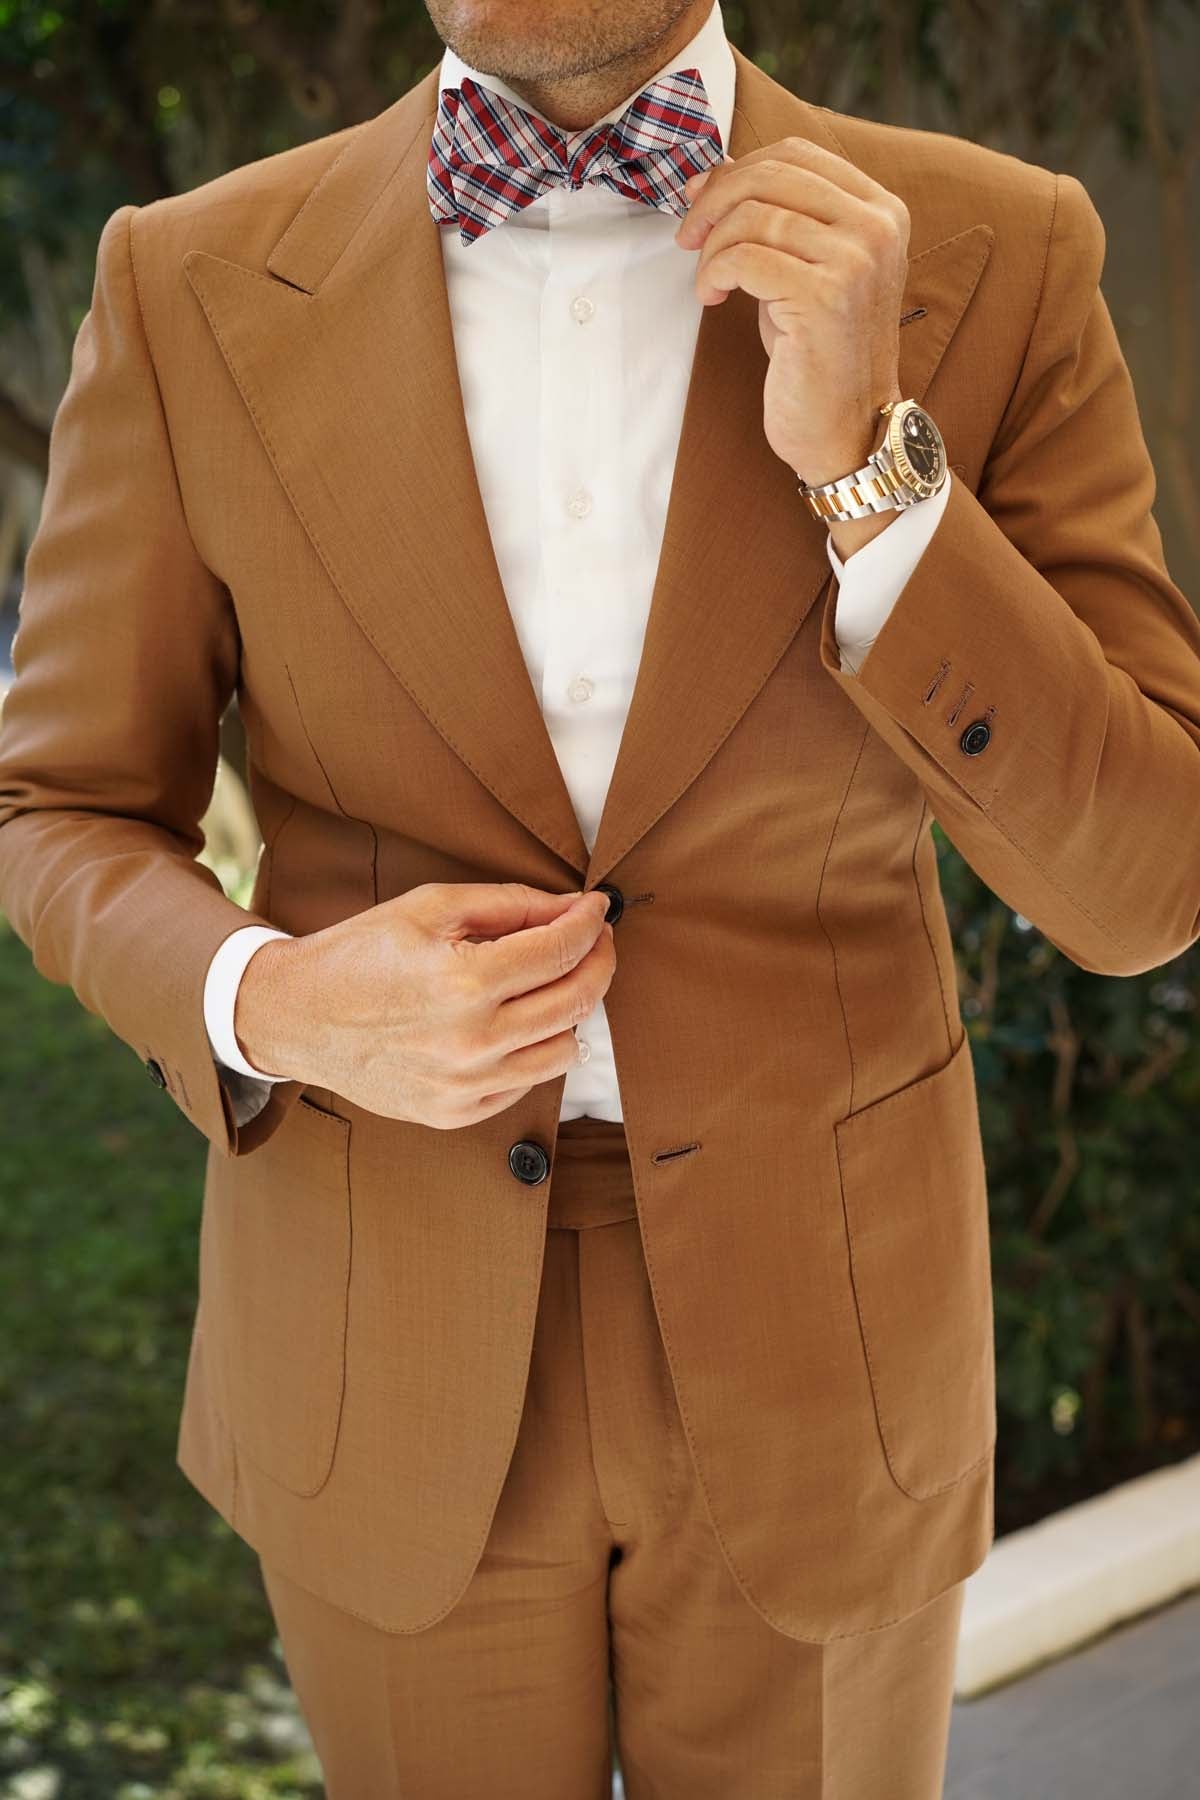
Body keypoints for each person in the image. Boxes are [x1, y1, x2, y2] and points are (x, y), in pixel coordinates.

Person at [3, 0, 1199, 1792]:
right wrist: (272, 997)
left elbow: (1145, 885)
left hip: (826, 1350)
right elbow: (62, 806)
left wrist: (874, 465)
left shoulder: (999, 249)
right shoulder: (185, 281)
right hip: (373, 1335)